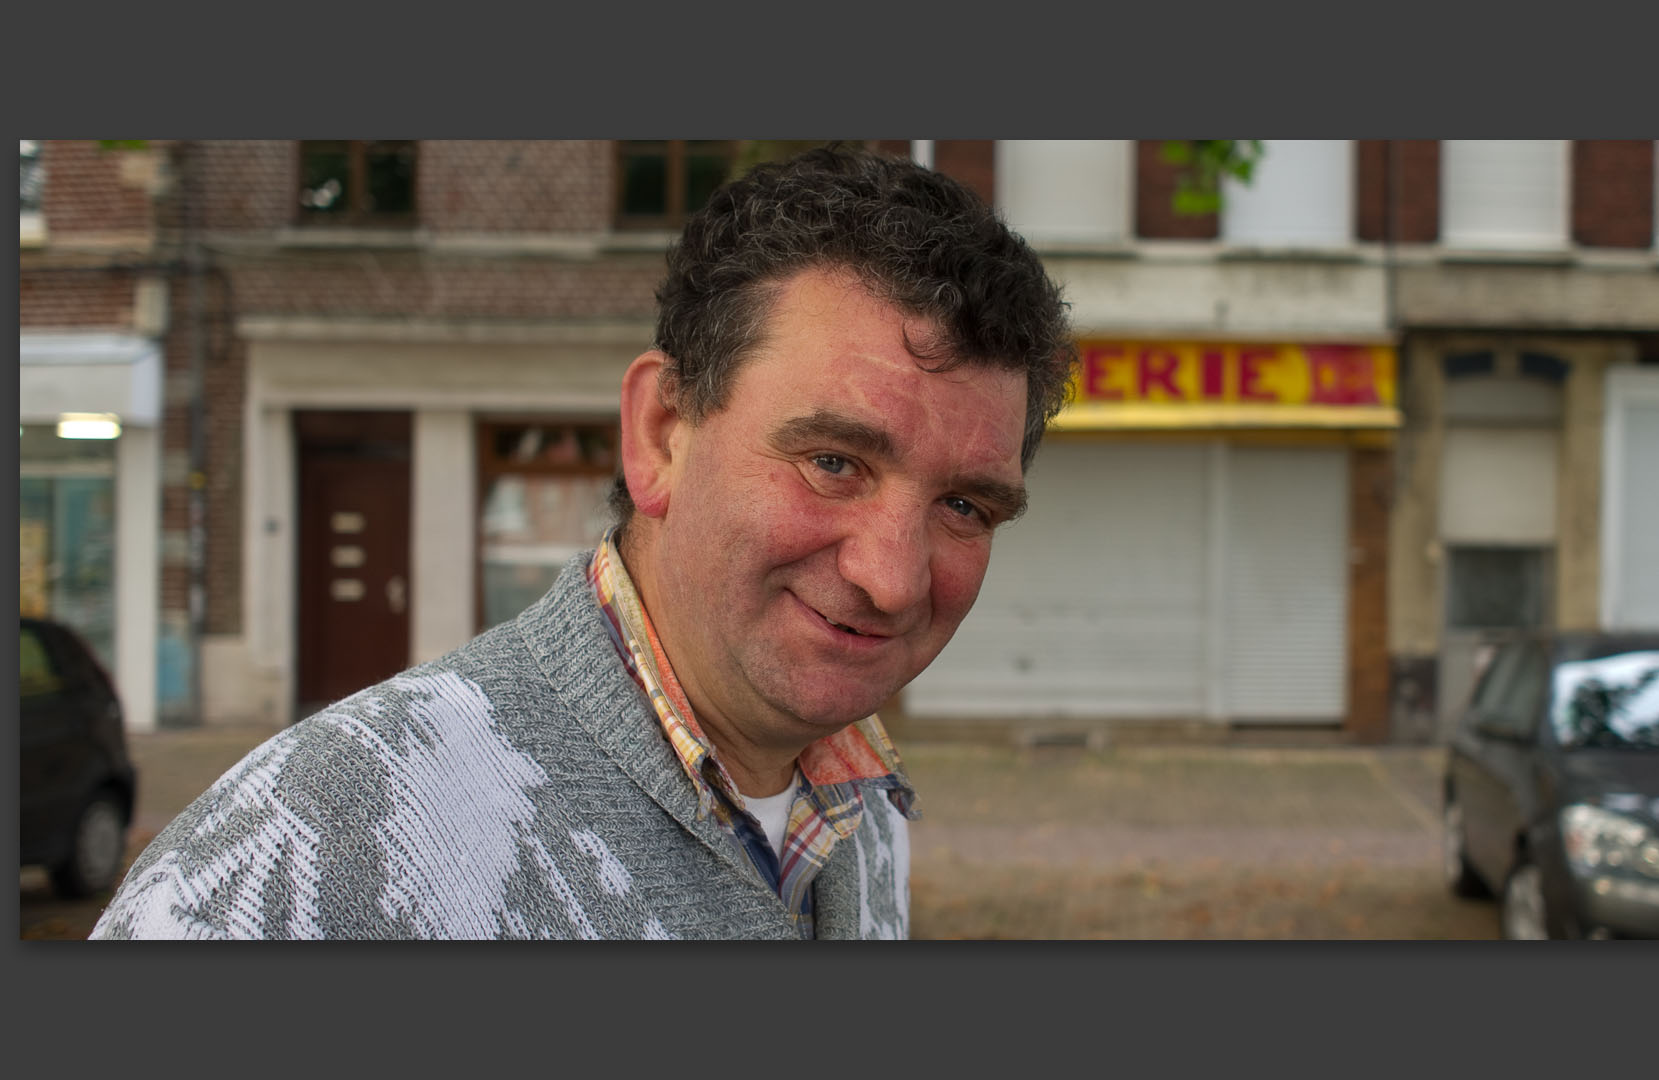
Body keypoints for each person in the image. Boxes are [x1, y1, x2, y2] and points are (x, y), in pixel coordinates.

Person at [91, 145, 1078, 940]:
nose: (893, 578)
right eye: (832, 462)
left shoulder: (860, 814)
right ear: (659, 434)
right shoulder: (309, 859)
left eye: (964, 509)